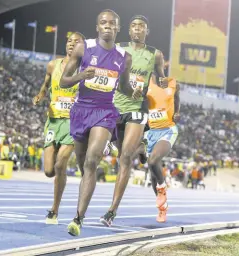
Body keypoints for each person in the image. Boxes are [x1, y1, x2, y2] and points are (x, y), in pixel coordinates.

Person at [60, 9, 141, 236]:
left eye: (112, 23)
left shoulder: (124, 57)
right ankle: (83, 200)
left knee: (92, 160)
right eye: (103, 23)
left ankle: (78, 218)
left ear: (117, 28)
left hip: (105, 112)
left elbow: (123, 86)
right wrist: (81, 76)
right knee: (82, 163)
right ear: (97, 27)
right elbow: (63, 81)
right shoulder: (83, 47)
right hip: (80, 111)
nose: (107, 26)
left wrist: (131, 91)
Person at [101, 15, 166, 226]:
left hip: (137, 109)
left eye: (142, 27)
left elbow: (161, 79)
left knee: (125, 159)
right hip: (115, 107)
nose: (137, 29)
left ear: (147, 31)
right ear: (129, 31)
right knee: (121, 154)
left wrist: (164, 86)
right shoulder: (118, 48)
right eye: (134, 26)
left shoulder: (155, 55)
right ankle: (141, 149)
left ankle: (112, 211)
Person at [33, 32, 85, 224]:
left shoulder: (85, 68)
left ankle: (54, 210)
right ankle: (59, 177)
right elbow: (46, 83)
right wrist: (40, 95)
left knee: (61, 163)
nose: (71, 44)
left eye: (76, 42)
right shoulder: (53, 65)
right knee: (49, 171)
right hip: (53, 121)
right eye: (69, 41)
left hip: (73, 123)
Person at [142, 73, 180, 222]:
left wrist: (177, 112)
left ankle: (162, 188)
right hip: (150, 132)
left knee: (152, 161)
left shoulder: (172, 82)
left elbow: (177, 97)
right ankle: (162, 209)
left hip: (168, 130)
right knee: (152, 174)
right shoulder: (145, 85)